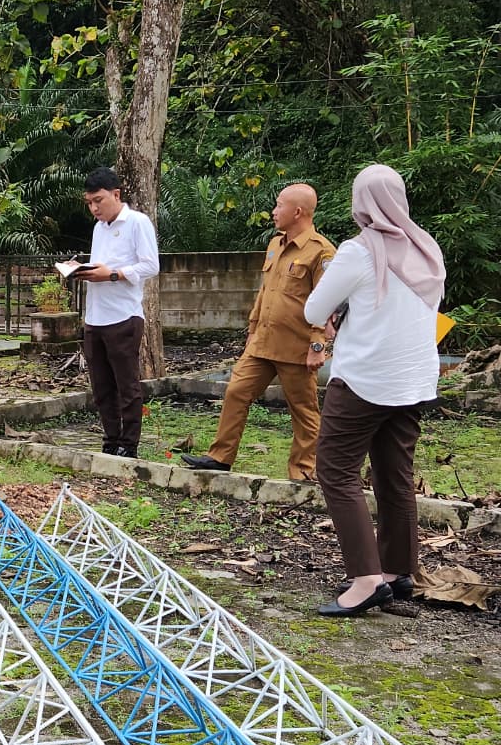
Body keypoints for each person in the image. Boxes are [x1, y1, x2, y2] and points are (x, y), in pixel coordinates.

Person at [304, 164, 445, 618]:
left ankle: (365, 580)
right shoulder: (427, 247)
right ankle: (397, 571)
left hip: (365, 380)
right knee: (394, 473)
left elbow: (314, 308)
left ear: (360, 201)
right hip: (415, 380)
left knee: (336, 470)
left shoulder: (359, 250)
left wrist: (342, 309)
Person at [181, 184, 335, 480]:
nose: (274, 212)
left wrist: (317, 344)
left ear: (297, 211)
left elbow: (327, 300)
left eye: (279, 206)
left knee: (303, 410)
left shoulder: (321, 251)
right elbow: (265, 291)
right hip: (262, 341)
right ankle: (220, 457)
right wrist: (252, 328)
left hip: (296, 347)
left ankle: (303, 471)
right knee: (237, 392)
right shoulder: (276, 244)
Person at [70, 167, 160, 457]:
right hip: (95, 317)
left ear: (116, 194)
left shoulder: (136, 222)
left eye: (98, 200)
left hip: (123, 316)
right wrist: (82, 271)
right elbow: (102, 265)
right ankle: (110, 441)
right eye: (89, 203)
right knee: (101, 386)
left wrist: (112, 275)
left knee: (127, 384)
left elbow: (151, 266)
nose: (94, 208)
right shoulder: (99, 228)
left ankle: (129, 444)